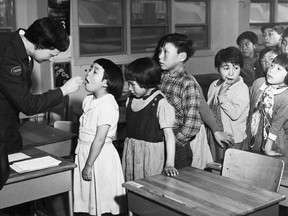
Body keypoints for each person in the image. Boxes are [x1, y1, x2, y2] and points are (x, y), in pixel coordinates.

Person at [0, 17, 83, 153]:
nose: (51, 59)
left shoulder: (22, 44)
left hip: (9, 124)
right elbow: (28, 105)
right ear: (39, 44)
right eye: (51, 54)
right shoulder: (8, 58)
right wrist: (63, 90)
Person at [153, 33, 233, 169]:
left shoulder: (189, 82)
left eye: (165, 52)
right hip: (163, 137)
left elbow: (201, 109)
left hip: (180, 139)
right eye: (159, 51)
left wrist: (216, 129)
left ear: (182, 57)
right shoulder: (160, 77)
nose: (160, 56)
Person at [73, 58, 126, 215]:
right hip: (84, 151)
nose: (88, 73)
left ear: (106, 82)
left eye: (95, 71)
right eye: (89, 69)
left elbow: (100, 139)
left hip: (99, 157)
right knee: (88, 196)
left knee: (102, 196)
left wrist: (89, 165)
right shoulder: (89, 100)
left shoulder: (108, 104)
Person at [122, 57, 178, 181]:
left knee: (150, 187)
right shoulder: (130, 100)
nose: (129, 88)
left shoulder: (160, 103)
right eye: (128, 83)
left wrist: (169, 164)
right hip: (131, 151)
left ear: (145, 81)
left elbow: (169, 136)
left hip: (151, 155)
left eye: (133, 84)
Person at [207, 47, 250, 162]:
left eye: (236, 68)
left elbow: (235, 114)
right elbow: (209, 108)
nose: (231, 73)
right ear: (217, 68)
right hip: (215, 135)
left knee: (232, 169)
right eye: (226, 68)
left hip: (232, 139)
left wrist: (222, 96)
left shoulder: (241, 88)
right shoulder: (214, 85)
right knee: (215, 165)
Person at [248, 53, 288, 157]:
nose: (272, 70)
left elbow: (276, 125)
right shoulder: (258, 83)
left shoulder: (285, 96)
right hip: (253, 137)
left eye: (279, 69)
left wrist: (268, 149)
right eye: (272, 65)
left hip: (274, 142)